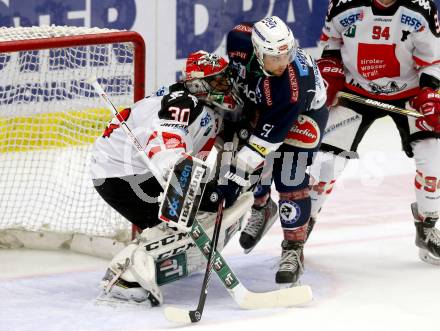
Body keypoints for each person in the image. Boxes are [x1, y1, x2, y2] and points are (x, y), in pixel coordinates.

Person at [90, 50, 251, 306]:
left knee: (197, 207)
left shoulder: (204, 107)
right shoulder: (186, 104)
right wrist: (175, 171)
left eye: (225, 78)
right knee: (172, 223)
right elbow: (165, 142)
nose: (226, 85)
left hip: (128, 169)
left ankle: (159, 258)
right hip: (122, 174)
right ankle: (125, 277)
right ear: (200, 85)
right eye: (218, 81)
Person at [309, 0, 440, 265]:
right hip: (354, 91)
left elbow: (433, 61)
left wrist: (431, 93)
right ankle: (299, 229)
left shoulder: (421, 8)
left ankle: (427, 224)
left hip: (409, 93)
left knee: (434, 158)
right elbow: (329, 46)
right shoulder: (342, 5)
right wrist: (330, 76)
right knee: (325, 163)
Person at [225, 16, 329, 286]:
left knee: (289, 177)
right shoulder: (238, 39)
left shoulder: (292, 87)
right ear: (258, 52)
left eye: (287, 54)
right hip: (263, 105)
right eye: (275, 57)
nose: (283, 62)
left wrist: (234, 175)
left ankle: (294, 250)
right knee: (244, 156)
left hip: (304, 114)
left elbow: (264, 145)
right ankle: (262, 208)